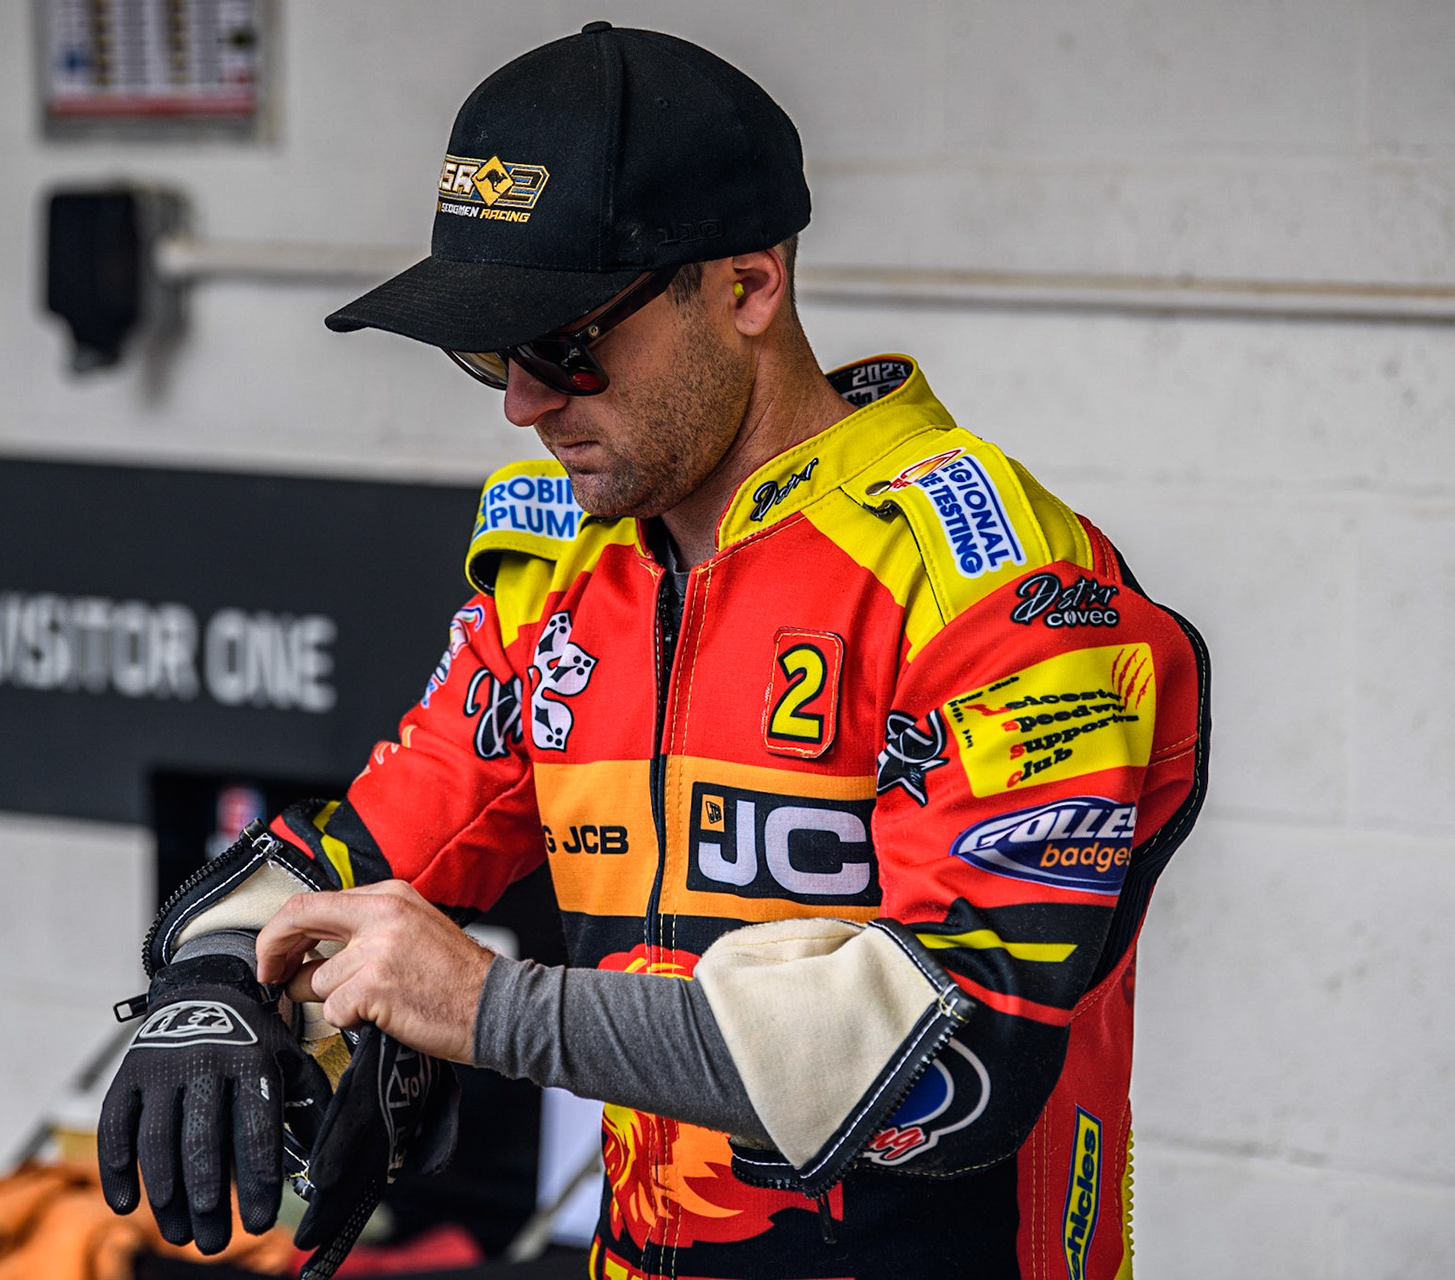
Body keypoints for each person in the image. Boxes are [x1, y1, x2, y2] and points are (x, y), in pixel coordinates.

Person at [98, 23, 1209, 1280]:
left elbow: (956, 1050)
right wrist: (217, 977)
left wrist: (488, 1009)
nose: (523, 401)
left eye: (565, 342)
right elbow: (357, 852)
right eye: (488, 352)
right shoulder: (562, 584)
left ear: (745, 288)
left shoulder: (996, 589)